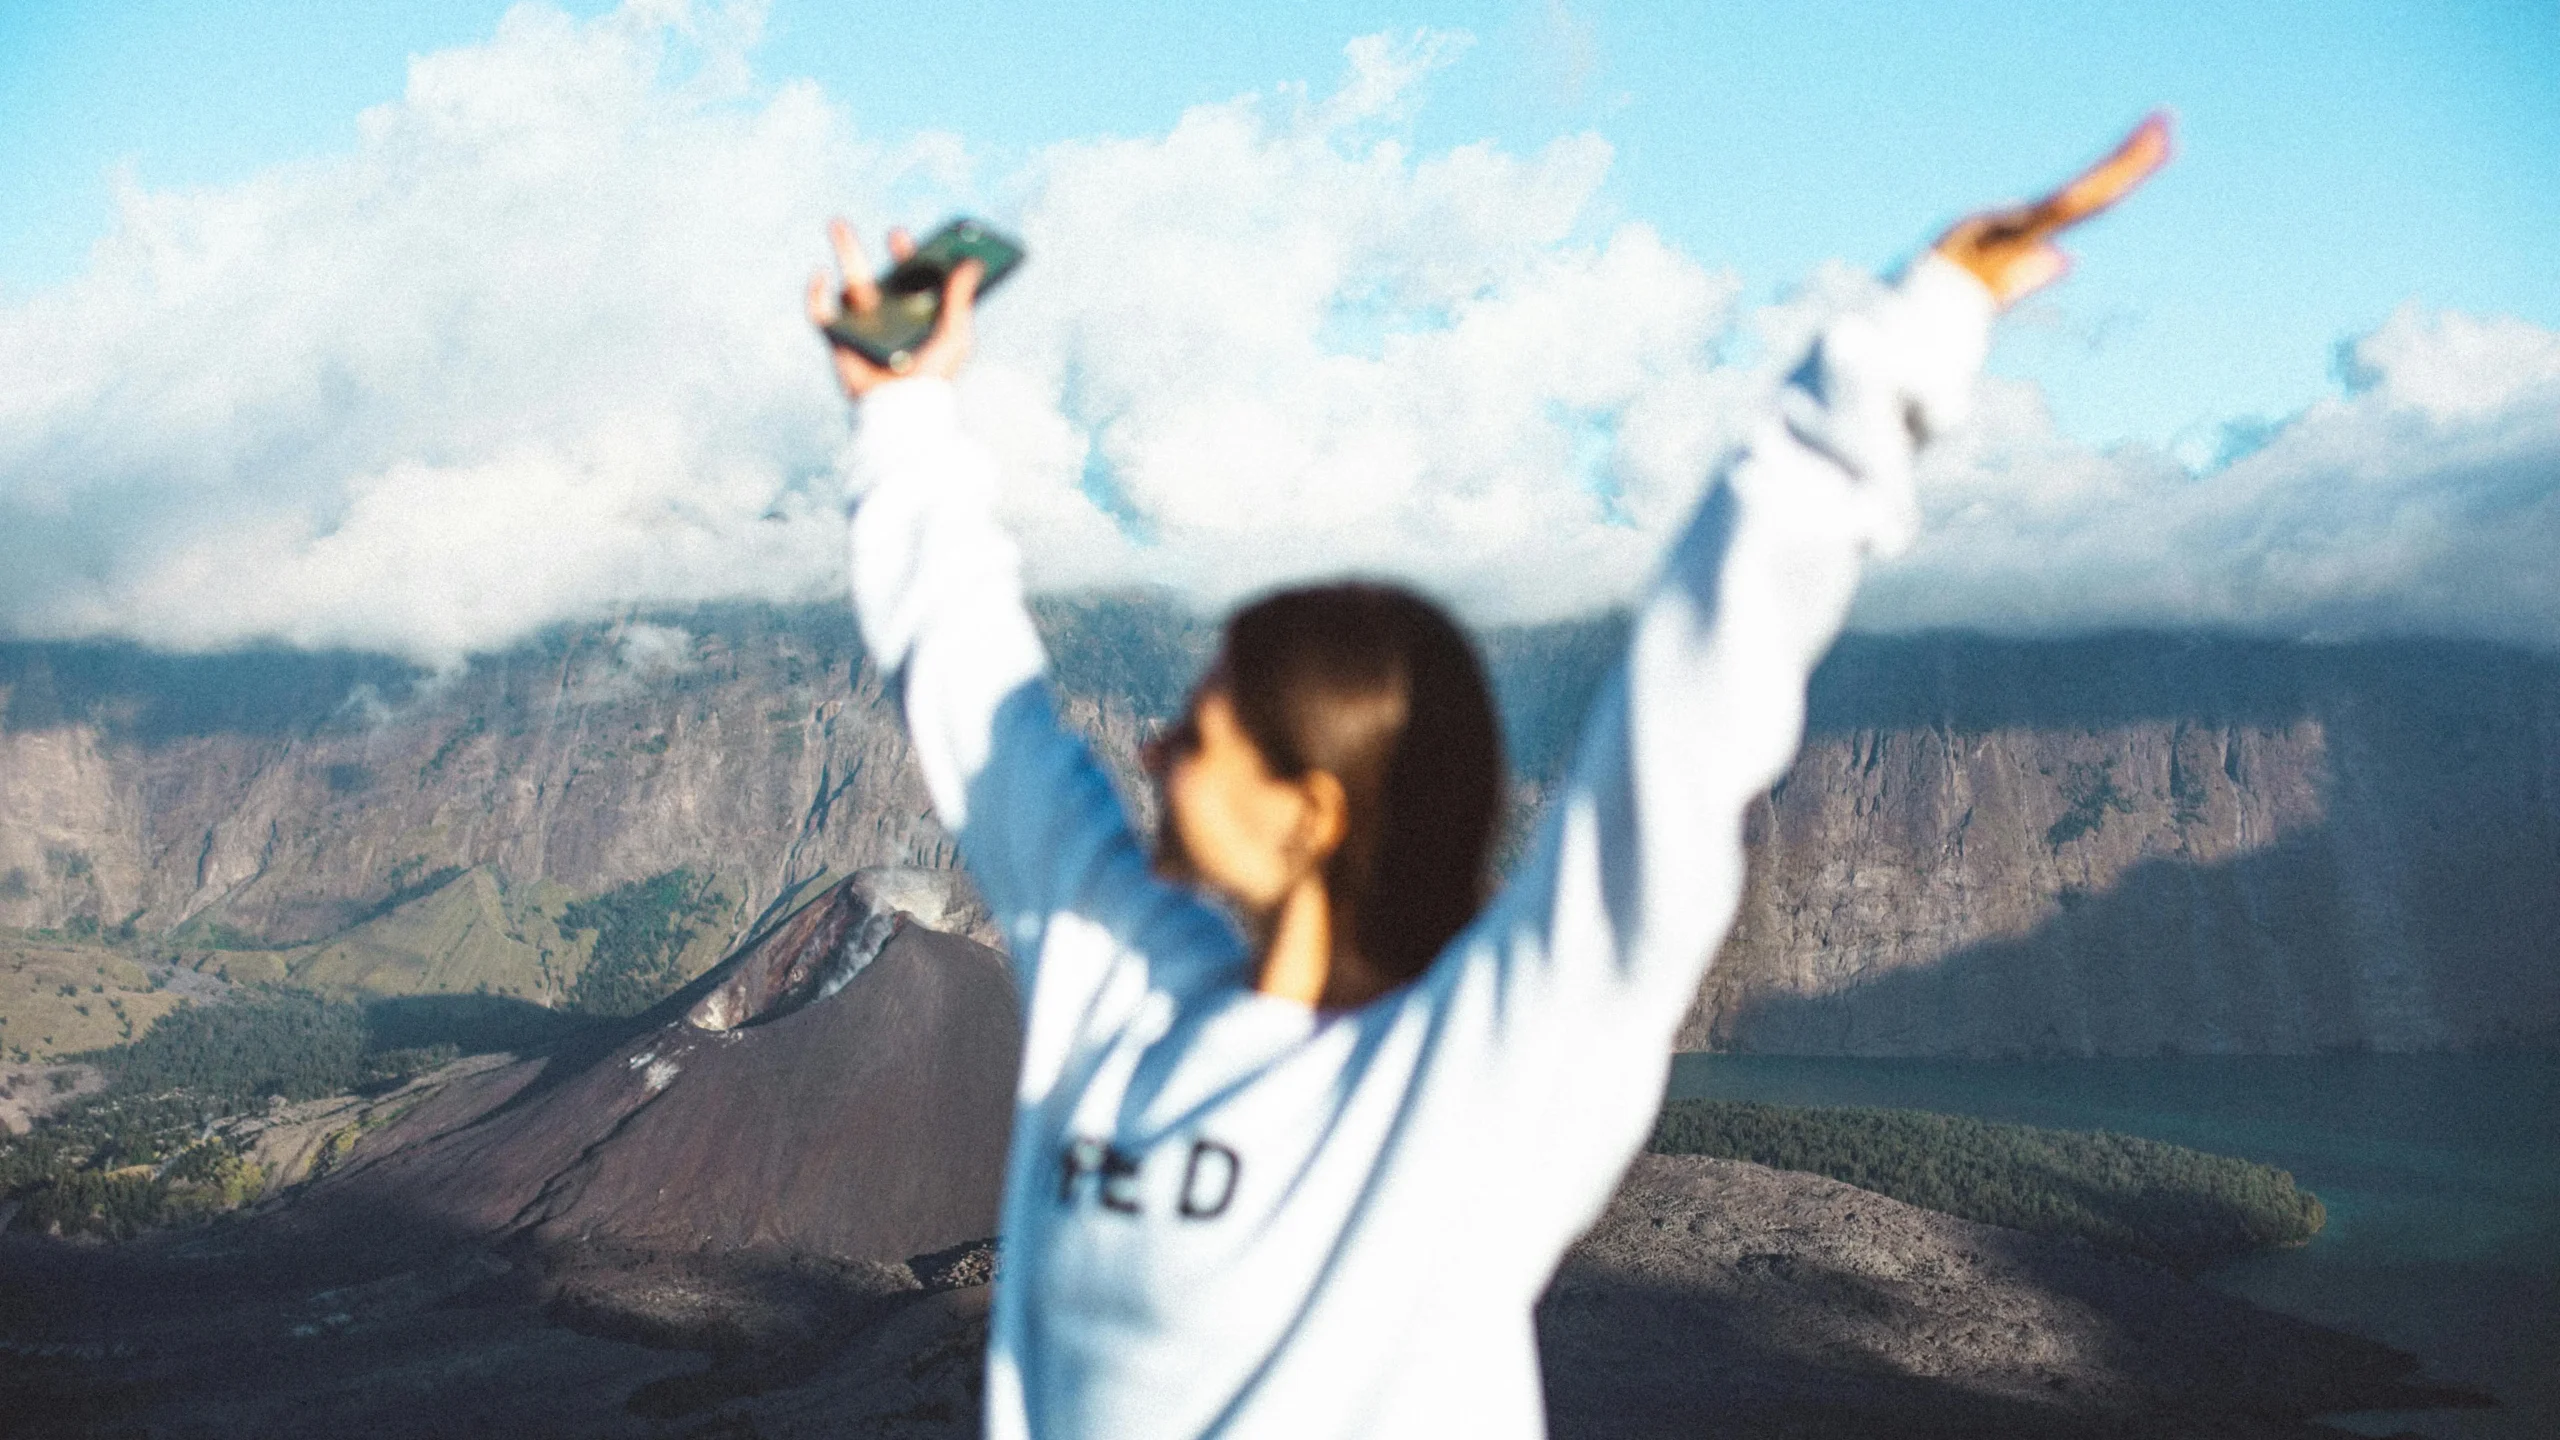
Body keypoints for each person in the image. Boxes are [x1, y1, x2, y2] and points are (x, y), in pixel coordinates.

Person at [807, 115, 2170, 1440]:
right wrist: (904, 415)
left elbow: (1686, 721)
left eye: (1205, 734)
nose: (1153, 752)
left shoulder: (1476, 1077)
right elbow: (980, 694)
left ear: (1316, 807)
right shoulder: (1115, 988)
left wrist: (1906, 337)